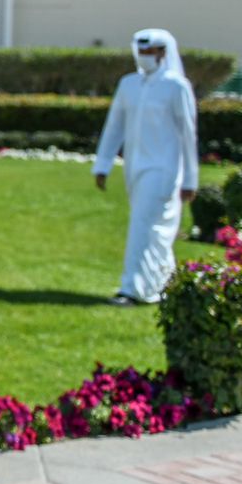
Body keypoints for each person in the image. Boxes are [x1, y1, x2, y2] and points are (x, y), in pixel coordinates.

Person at [93, 28, 199, 306]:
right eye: (140, 52)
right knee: (155, 230)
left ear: (163, 53)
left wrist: (190, 178)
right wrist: (102, 164)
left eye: (149, 52)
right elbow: (115, 126)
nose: (144, 58)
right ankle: (165, 284)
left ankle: (132, 289)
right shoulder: (129, 84)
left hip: (163, 169)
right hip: (135, 167)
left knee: (144, 225)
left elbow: (188, 135)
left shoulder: (176, 86)